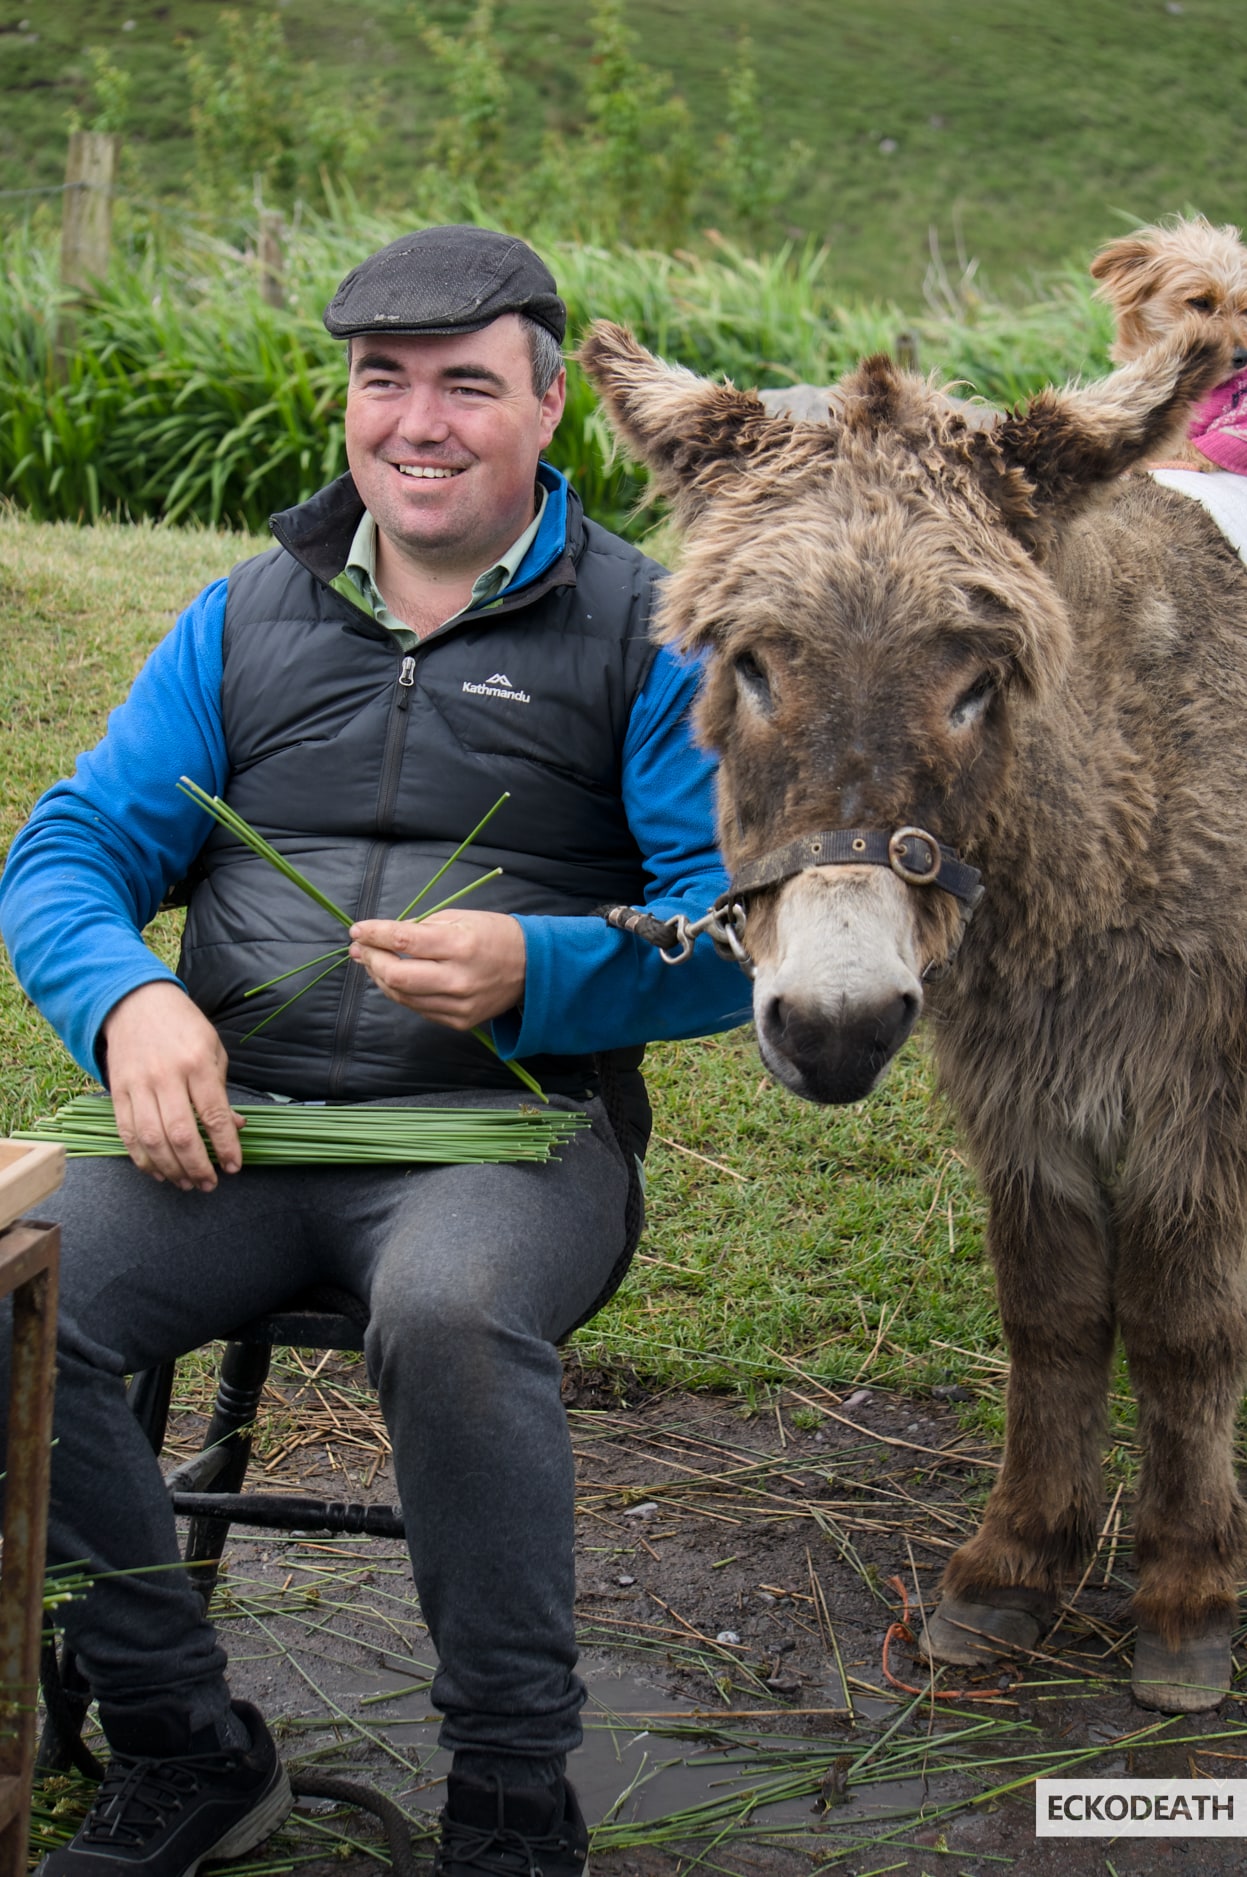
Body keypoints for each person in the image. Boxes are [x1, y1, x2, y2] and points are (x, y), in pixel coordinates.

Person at [0, 225, 745, 1877]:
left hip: (500, 1149)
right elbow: (65, 851)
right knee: (7, 1280)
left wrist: (541, 967)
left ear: (550, 409)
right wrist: (129, 1001)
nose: (418, 421)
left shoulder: (652, 630)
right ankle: (181, 1738)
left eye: (467, 385)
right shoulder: (245, 612)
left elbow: (740, 932)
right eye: (382, 381)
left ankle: (507, 1788)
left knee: (447, 1309)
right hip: (235, 1140)